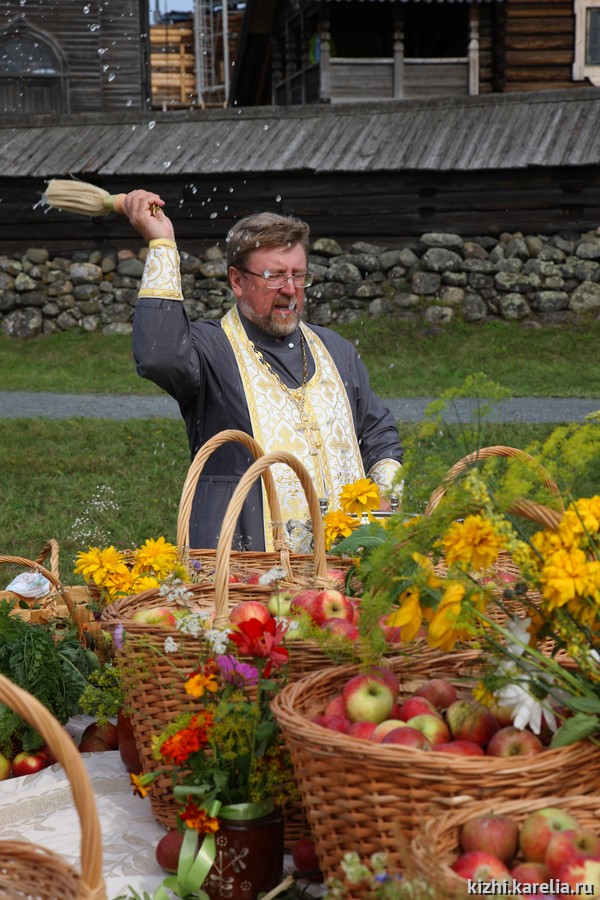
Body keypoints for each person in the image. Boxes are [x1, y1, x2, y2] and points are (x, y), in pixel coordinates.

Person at [121, 190, 403, 553]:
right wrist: (162, 244)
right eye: (273, 276)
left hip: (344, 567)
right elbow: (159, 356)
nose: (289, 290)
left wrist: (385, 497)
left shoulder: (336, 350)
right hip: (246, 564)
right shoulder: (211, 349)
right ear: (237, 281)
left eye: (298, 276)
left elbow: (378, 431)